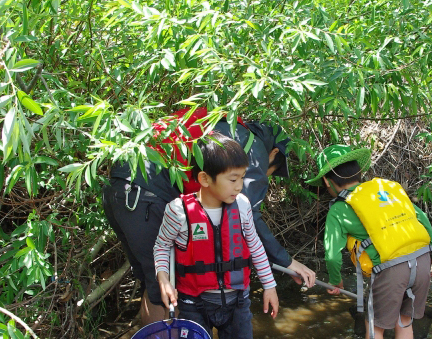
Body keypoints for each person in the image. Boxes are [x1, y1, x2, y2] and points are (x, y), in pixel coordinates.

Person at [102, 107, 315, 326]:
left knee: (155, 284)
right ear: (274, 154)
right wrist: (287, 261)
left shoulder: (226, 125)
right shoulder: (255, 148)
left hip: (116, 188)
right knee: (169, 288)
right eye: (271, 172)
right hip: (146, 197)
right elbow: (248, 215)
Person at [154, 132, 279, 339]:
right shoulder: (178, 211)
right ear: (205, 179)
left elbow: (255, 246)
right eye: (233, 179)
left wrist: (269, 286)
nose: (240, 186)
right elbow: (161, 247)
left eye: (242, 178)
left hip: (237, 302)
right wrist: (164, 279)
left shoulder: (243, 206)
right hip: (193, 303)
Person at [308, 144, 432, 339]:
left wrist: (335, 279)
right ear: (360, 173)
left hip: (391, 269)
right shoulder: (387, 190)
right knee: (405, 322)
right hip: (421, 259)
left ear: (327, 182)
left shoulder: (339, 208)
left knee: (374, 328)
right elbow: (422, 220)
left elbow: (332, 255)